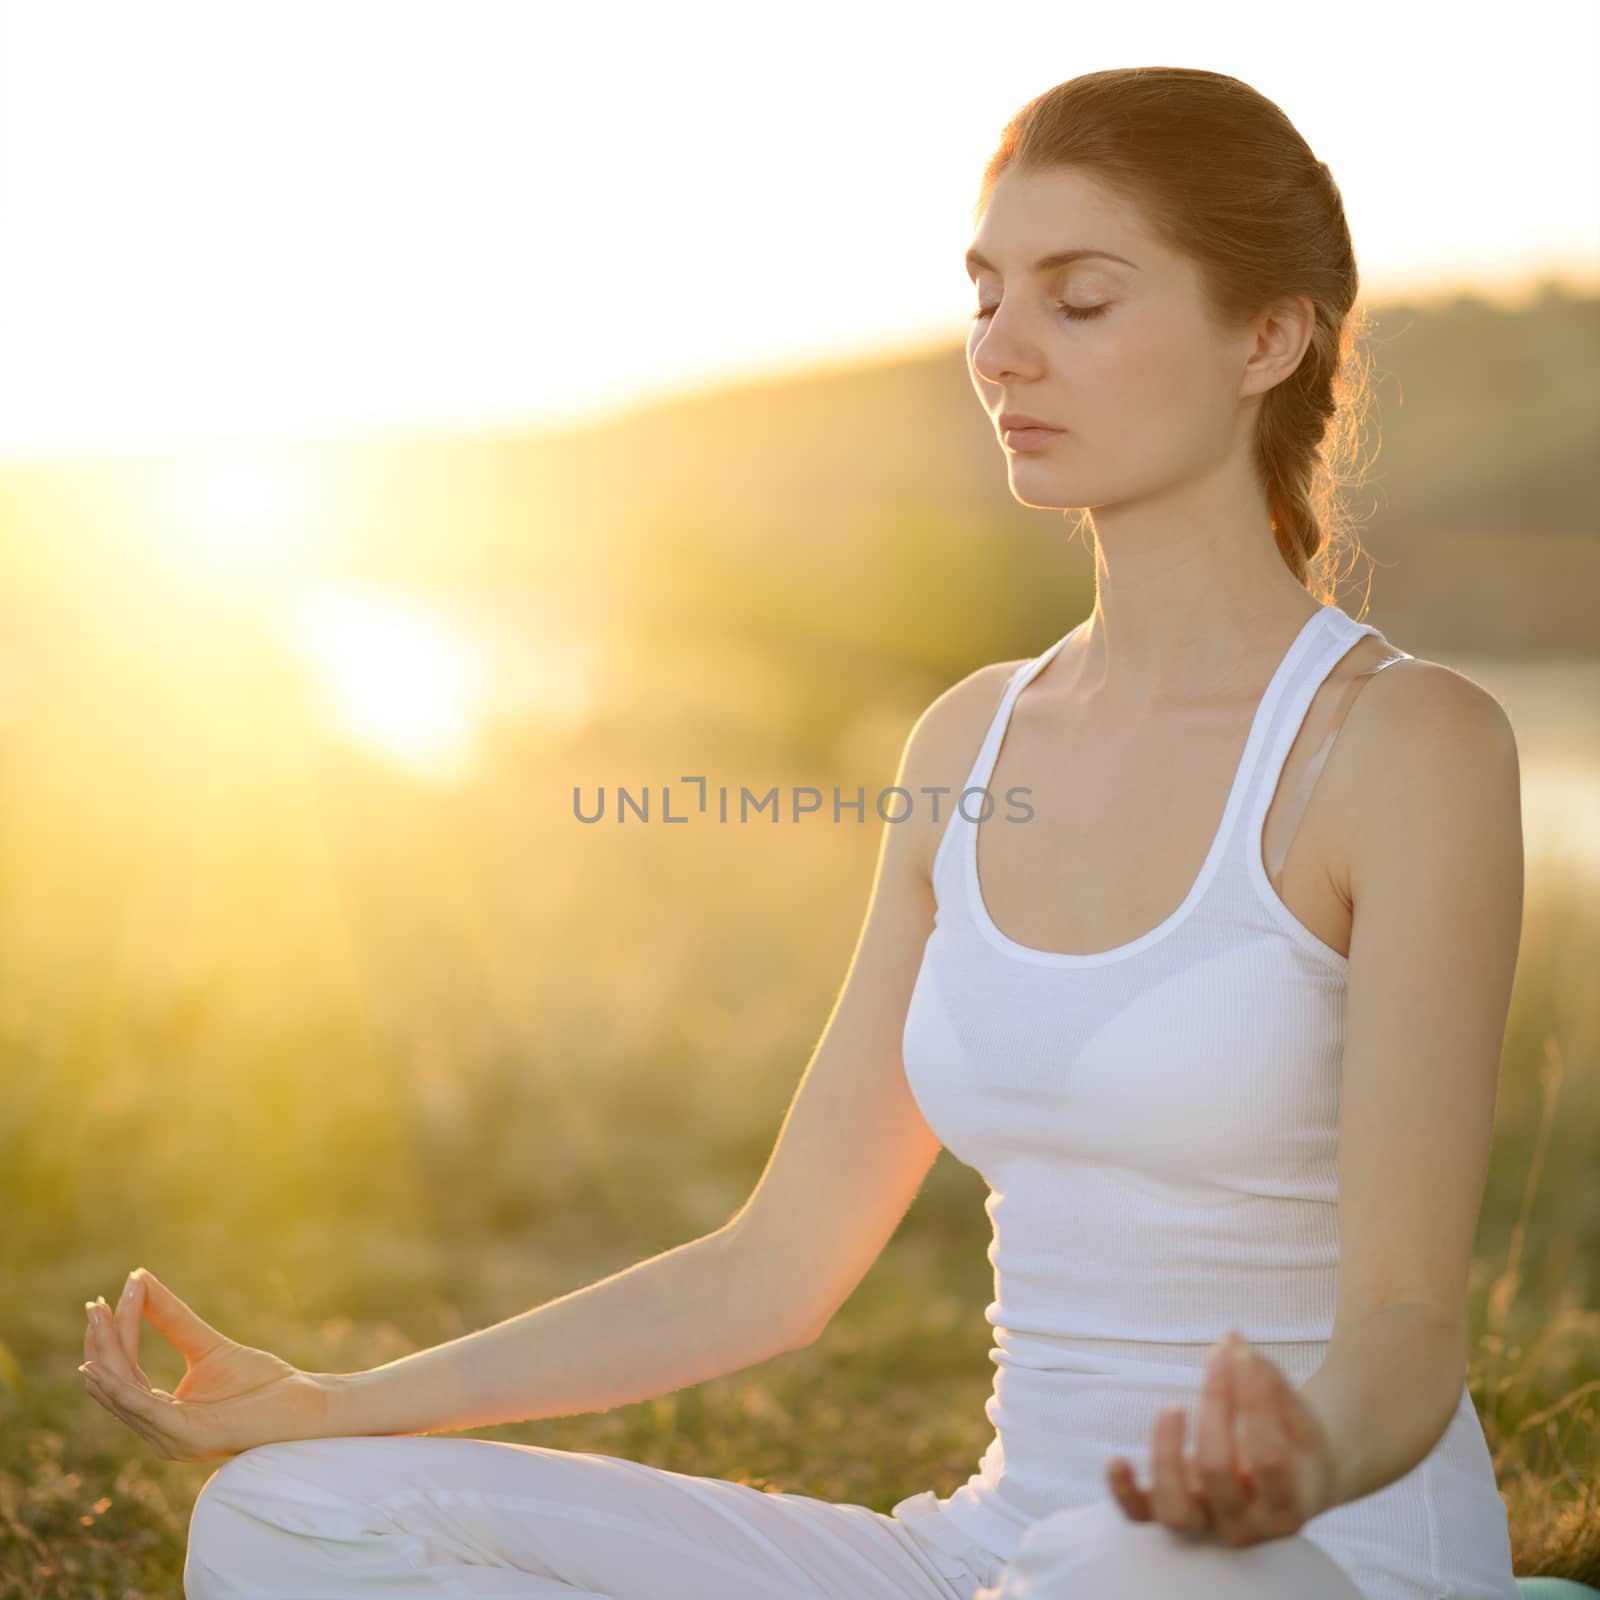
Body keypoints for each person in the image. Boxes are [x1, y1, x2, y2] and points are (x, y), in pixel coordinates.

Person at [78, 66, 1526, 1600]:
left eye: (1081, 300)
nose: (1001, 351)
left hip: (1301, 1559)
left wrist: (1294, 1460)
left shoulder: (1405, 746)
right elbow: (777, 1269)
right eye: (984, 295)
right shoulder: (970, 741)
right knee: (293, 1512)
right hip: (989, 1558)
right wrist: (332, 1404)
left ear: (1269, 336)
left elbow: (1407, 1337)